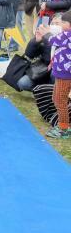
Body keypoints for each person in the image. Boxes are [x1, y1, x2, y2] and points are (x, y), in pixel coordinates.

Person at [16, 15, 60, 92]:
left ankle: (55, 92)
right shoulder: (45, 35)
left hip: (58, 70)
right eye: (53, 23)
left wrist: (48, 37)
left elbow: (55, 58)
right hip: (43, 68)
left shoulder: (64, 37)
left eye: (57, 23)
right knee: (22, 83)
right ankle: (45, 91)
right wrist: (35, 41)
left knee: (54, 72)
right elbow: (29, 54)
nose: (54, 26)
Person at [45, 10, 71, 139]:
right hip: (62, 72)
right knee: (57, 98)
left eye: (63, 22)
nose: (61, 24)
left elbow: (51, 40)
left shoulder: (66, 35)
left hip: (64, 74)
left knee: (60, 100)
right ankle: (62, 124)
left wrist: (45, 33)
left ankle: (64, 128)